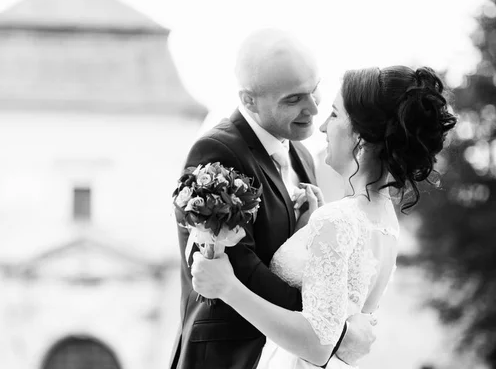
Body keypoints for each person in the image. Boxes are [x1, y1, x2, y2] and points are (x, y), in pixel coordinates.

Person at [191, 65, 457, 368]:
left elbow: (318, 345)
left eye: (333, 114)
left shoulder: (337, 219)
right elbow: (338, 310)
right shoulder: (386, 223)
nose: (321, 128)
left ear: (361, 136)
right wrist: (308, 231)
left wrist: (228, 287)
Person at [170, 29, 378, 369]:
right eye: (293, 99)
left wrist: (306, 229)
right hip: (229, 357)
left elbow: (286, 258)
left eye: (314, 90)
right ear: (249, 100)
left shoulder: (302, 154)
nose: (313, 108)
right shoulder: (216, 152)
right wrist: (324, 318)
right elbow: (239, 266)